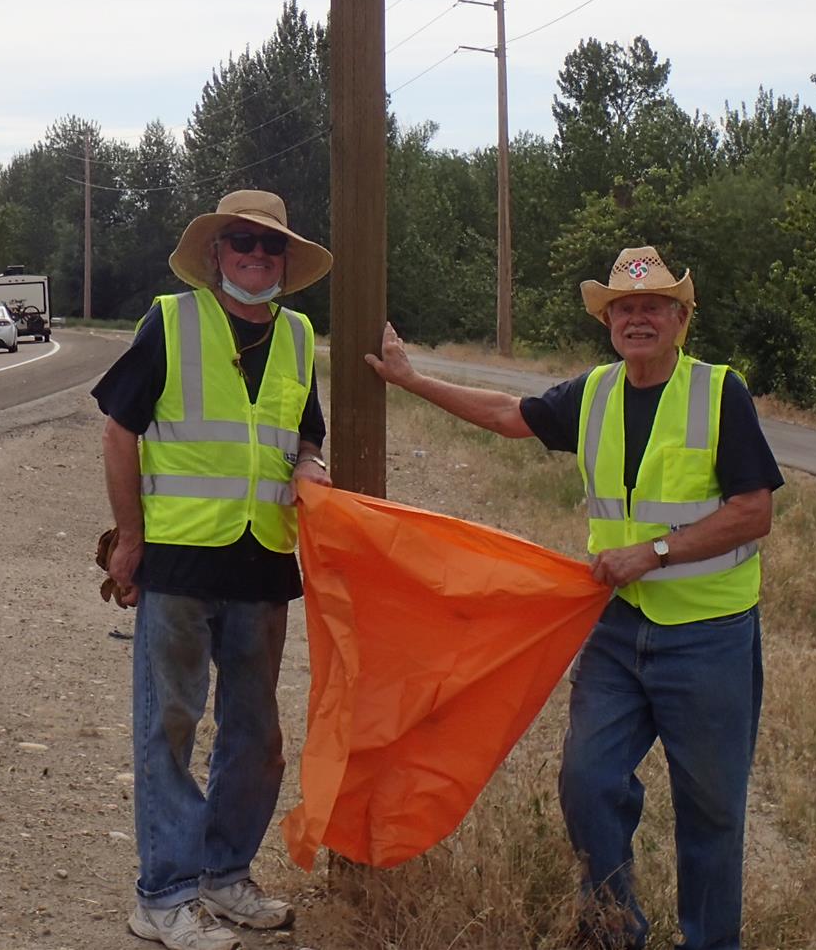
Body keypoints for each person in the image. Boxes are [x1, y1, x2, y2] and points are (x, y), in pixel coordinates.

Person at [366, 246, 781, 950]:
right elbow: (507, 413)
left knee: (710, 811)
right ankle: (612, 929)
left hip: (709, 635)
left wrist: (651, 553)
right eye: (625, 307)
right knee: (587, 780)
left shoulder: (720, 393)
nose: (638, 317)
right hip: (618, 630)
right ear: (608, 322)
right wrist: (411, 380)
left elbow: (753, 511)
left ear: (681, 319)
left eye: (654, 306)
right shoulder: (594, 394)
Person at [93, 189, 334, 950]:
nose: (256, 257)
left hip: (264, 562)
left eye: (270, 247)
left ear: (285, 262)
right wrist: (129, 540)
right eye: (241, 243)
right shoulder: (170, 321)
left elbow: (306, 438)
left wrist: (314, 464)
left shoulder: (298, 336)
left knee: (256, 732)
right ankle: (163, 894)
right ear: (216, 254)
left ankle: (225, 877)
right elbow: (118, 431)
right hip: (180, 562)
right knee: (169, 722)